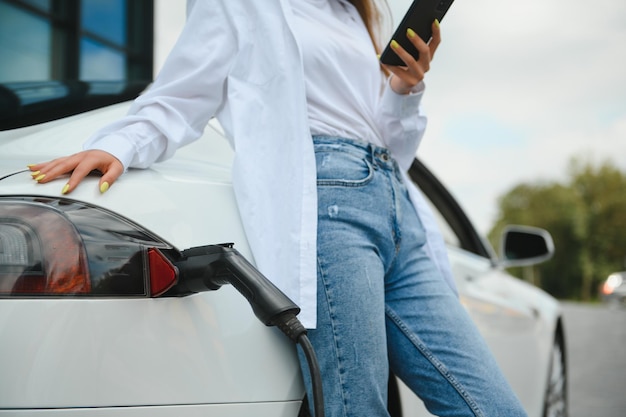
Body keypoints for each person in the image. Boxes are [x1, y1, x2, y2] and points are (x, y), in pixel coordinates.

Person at [29, 1, 527, 416]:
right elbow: (180, 97)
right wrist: (119, 146)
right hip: (329, 205)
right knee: (357, 406)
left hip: (398, 205)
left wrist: (403, 90)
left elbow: (391, 141)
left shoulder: (359, 14)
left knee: (491, 405)